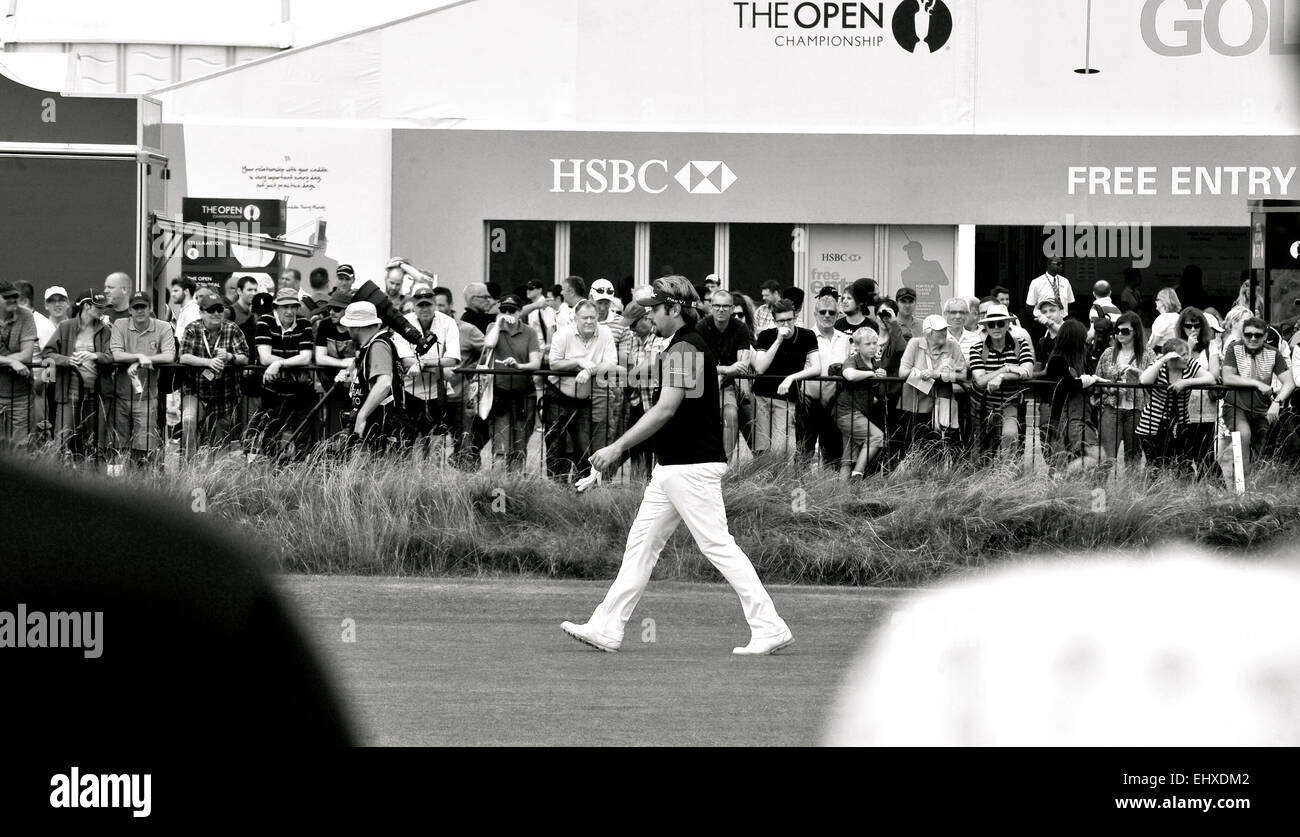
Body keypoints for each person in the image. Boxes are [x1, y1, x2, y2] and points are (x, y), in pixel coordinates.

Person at [562, 275, 793, 656]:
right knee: (640, 548)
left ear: (675, 308)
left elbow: (665, 409)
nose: (649, 314)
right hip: (675, 467)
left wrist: (615, 449)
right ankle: (606, 626)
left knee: (718, 547)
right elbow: (675, 405)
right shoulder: (686, 346)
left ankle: (769, 625)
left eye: (656, 308)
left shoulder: (686, 348)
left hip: (690, 467)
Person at [546, 299, 616, 483]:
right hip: (558, 395)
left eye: (593, 317)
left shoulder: (605, 333)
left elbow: (611, 363)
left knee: (584, 446)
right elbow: (554, 363)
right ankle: (555, 489)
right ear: (575, 318)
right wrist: (577, 362)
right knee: (556, 444)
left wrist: (589, 369)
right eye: (584, 317)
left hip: (584, 398)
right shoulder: (563, 333)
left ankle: (581, 489)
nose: (589, 321)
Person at [1220, 316, 1295, 479]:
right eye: (1248, 334)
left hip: (1262, 410)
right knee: (1243, 435)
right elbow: (1228, 377)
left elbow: (1289, 382)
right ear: (1242, 335)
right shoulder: (1234, 348)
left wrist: (1277, 402)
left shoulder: (1273, 353)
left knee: (1261, 451)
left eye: (1258, 335)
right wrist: (1257, 384)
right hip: (1235, 406)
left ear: (1265, 336)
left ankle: (1253, 487)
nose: (1253, 338)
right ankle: (1241, 488)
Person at [42, 289, 113, 459]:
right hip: (69, 392)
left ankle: (90, 479)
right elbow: (47, 354)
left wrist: (95, 355)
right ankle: (58, 477)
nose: (102, 311)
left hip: (97, 394)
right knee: (63, 440)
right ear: (87, 306)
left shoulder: (105, 330)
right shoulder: (66, 327)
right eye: (99, 307)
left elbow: (112, 356)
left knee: (94, 444)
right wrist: (66, 360)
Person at [178, 290, 249, 454]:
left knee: (220, 443)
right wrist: (208, 362)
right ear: (201, 312)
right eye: (211, 310)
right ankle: (189, 467)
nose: (217, 313)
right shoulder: (192, 329)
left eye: (219, 309)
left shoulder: (233, 329)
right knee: (189, 421)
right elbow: (183, 357)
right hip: (195, 390)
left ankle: (215, 475)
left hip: (224, 394)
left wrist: (230, 356)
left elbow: (245, 357)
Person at [109, 292, 175, 467]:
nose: (139, 311)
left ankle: (141, 485)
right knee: (118, 445)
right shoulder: (119, 324)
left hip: (147, 397)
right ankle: (117, 485)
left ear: (150, 308)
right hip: (120, 396)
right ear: (129, 310)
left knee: (145, 447)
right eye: (136, 307)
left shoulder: (163, 327)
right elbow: (116, 354)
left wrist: (143, 361)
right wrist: (139, 357)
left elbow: (170, 356)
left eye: (143, 307)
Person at [750, 299, 821, 458]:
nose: (786, 324)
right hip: (761, 396)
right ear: (774, 322)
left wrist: (790, 378)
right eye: (781, 321)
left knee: (781, 447)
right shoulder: (767, 336)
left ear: (795, 318)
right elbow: (760, 368)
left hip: (786, 399)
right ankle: (761, 481)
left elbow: (817, 367)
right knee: (761, 448)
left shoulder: (807, 336)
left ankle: (781, 481)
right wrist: (778, 340)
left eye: (789, 319)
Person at [1136, 337, 1214, 480]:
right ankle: (1153, 496)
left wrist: (1186, 382)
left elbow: (1211, 379)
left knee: (1183, 464)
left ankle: (1180, 494)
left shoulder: (1190, 365)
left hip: (1181, 422)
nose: (1187, 358)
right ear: (1172, 356)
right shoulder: (1160, 366)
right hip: (1152, 423)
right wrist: (1162, 359)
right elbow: (1144, 380)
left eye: (1187, 354)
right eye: (1183, 355)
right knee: (1155, 465)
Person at [967, 304, 1034, 460]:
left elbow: (1027, 372)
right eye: (991, 324)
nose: (996, 327)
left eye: (1000, 323)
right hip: (982, 405)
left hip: (1009, 403)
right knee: (982, 450)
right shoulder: (976, 349)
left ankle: (1005, 478)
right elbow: (981, 380)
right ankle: (983, 481)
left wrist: (1002, 377)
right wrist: (1006, 368)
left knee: (1010, 438)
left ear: (1008, 325)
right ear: (986, 327)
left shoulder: (1021, 344)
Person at [482, 293, 541, 471]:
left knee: (519, 447)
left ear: (520, 311)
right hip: (500, 394)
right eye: (504, 310)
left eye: (512, 310)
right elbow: (489, 345)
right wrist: (499, 324)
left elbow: (536, 363)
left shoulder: (529, 332)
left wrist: (519, 366)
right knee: (501, 448)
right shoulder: (493, 327)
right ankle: (499, 493)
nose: (508, 313)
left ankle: (515, 490)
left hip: (524, 394)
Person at [254, 287, 315, 454]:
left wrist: (279, 363)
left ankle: (300, 473)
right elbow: (264, 358)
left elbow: (306, 357)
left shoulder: (304, 324)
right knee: (270, 438)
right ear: (276, 307)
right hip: (273, 390)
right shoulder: (265, 321)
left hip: (300, 390)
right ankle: (269, 473)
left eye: (293, 306)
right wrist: (285, 362)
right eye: (285, 306)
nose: (290, 311)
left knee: (302, 440)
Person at [1094, 312, 1157, 474]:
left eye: (1125, 331)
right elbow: (1097, 379)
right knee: (1105, 458)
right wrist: (1109, 388)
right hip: (1110, 407)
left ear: (1135, 331)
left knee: (1133, 458)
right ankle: (1098, 497)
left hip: (1137, 409)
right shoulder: (1108, 353)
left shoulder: (1148, 354)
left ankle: (1130, 496)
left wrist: (1136, 371)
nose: (1119, 334)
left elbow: (1156, 381)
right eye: (1117, 331)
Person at [613, 298, 667, 480]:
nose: (631, 328)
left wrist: (632, 372)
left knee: (658, 453)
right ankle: (636, 492)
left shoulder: (660, 338)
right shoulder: (630, 338)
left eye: (634, 323)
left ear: (646, 319)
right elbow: (621, 364)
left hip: (657, 404)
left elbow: (653, 364)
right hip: (636, 403)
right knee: (637, 451)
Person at [698, 288, 754, 463]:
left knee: (731, 415)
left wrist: (720, 371)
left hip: (729, 387)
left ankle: (724, 466)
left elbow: (743, 366)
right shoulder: (701, 327)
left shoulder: (740, 328)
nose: (721, 310)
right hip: (702, 386)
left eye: (725, 306)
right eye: (716, 306)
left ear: (731, 308)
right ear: (711, 308)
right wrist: (726, 369)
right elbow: (698, 364)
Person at [898, 314, 967, 454]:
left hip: (942, 404)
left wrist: (938, 374)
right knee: (913, 444)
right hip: (914, 404)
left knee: (940, 444)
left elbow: (962, 375)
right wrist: (923, 375)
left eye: (944, 329)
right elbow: (902, 372)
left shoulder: (953, 345)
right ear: (928, 333)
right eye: (939, 330)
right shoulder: (915, 343)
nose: (944, 333)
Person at [1040, 320, 1102, 473]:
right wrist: (1086, 381)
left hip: (1079, 415)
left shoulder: (1083, 358)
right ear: (1075, 339)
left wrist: (1094, 379)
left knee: (1095, 457)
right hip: (1059, 418)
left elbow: (1089, 377)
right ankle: (1066, 476)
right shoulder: (1056, 360)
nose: (1086, 341)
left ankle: (1069, 476)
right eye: (1082, 337)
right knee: (1059, 460)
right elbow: (1069, 383)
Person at [341, 301, 405, 449]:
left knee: (374, 471)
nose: (348, 330)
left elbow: (384, 383)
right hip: (377, 424)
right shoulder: (372, 346)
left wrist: (362, 417)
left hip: (380, 425)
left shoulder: (378, 346)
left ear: (356, 327)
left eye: (349, 326)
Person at [829, 326, 888, 479]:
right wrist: (872, 374)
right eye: (868, 344)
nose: (873, 347)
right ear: (857, 346)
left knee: (848, 459)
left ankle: (843, 495)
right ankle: (858, 474)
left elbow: (878, 397)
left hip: (858, 413)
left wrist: (882, 379)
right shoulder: (852, 360)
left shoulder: (876, 366)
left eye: (875, 343)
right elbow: (849, 375)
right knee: (876, 437)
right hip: (846, 413)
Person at [804, 293, 852, 468]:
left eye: (832, 312)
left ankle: (830, 491)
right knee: (805, 449)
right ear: (815, 314)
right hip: (810, 401)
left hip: (835, 403)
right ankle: (799, 489)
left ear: (838, 315)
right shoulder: (806, 336)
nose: (827, 315)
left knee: (833, 451)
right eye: (822, 312)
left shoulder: (846, 339)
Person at [1177, 308, 1223, 476]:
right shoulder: (1176, 346)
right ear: (1182, 327)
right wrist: (1187, 349)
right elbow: (1176, 373)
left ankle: (1217, 490)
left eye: (1196, 325)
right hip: (1182, 408)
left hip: (1205, 409)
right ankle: (1185, 491)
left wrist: (1187, 382)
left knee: (1206, 455)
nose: (1193, 329)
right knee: (1183, 456)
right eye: (1188, 326)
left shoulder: (1211, 346)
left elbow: (1213, 375)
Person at [313, 289, 361, 440]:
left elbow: (360, 359)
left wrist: (348, 365)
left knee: (353, 425)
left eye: (337, 309)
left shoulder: (357, 327)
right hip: (330, 385)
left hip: (354, 387)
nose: (332, 312)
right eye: (329, 308)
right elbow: (319, 358)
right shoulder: (325, 325)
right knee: (333, 426)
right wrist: (343, 362)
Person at [1, 278, 39, 445]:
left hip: (20, 396)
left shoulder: (26, 315)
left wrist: (4, 360)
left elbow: (27, 355)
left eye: (15, 296)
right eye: (7, 297)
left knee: (20, 447)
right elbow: (20, 358)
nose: (13, 300)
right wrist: (12, 363)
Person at [1149, 288, 1182, 353]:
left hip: (1161, 354)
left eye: (1157, 299)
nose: (1155, 302)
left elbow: (1153, 344)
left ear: (1163, 301)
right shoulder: (1179, 317)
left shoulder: (1163, 318)